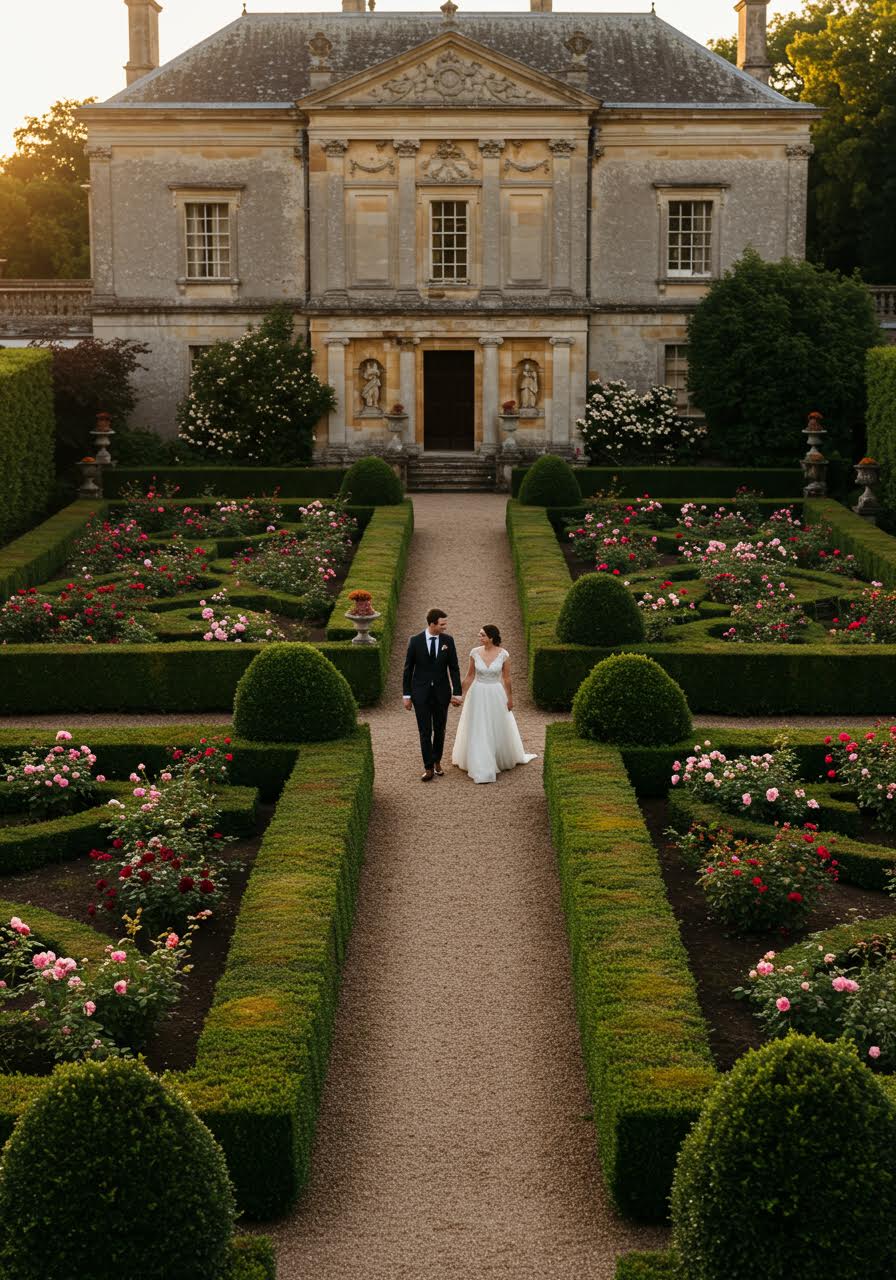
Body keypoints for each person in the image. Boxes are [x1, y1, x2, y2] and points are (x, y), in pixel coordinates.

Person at [451, 625, 537, 784]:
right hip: (477, 693)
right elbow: (470, 676)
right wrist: (459, 694)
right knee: (479, 726)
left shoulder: (504, 654)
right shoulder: (474, 652)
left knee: (496, 725)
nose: (479, 636)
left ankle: (497, 757)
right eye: (480, 634)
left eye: (482, 635)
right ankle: (480, 761)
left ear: (491, 637)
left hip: (495, 694)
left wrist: (510, 699)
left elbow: (507, 679)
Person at [402, 608, 462, 781]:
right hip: (420, 694)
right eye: (442, 624)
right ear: (432, 623)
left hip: (442, 693)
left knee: (440, 730)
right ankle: (428, 767)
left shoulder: (448, 641)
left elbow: (454, 668)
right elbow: (408, 670)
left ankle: (437, 761)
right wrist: (406, 695)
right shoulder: (415, 641)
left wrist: (457, 692)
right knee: (424, 731)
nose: (445, 627)